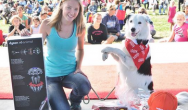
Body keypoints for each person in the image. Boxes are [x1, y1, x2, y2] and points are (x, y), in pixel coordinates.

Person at [21, 0, 91, 109]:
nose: (72, 12)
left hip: (70, 72)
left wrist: (78, 67)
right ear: (62, 5)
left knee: (84, 86)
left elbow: (80, 49)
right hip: (51, 76)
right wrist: (26, 38)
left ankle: (74, 101)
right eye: (69, 7)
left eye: (76, 9)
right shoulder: (47, 24)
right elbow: (36, 48)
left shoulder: (80, 26)